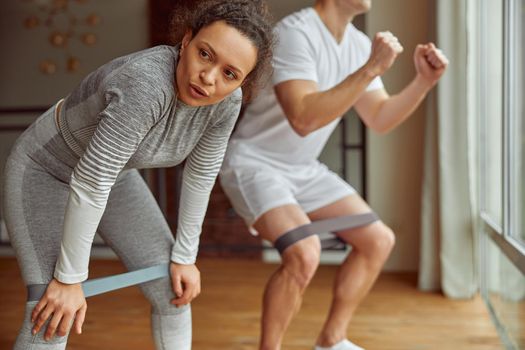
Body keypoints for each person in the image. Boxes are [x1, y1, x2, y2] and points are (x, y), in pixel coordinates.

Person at [2, 1, 273, 349]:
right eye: (205, 54)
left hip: (114, 177)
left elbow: (200, 175)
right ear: (186, 40)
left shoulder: (227, 102)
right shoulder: (146, 82)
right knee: (54, 312)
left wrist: (185, 258)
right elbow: (91, 179)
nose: (209, 77)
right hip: (46, 170)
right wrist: (69, 280)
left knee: (174, 290)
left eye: (229, 74)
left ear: (242, 81)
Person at [219, 0, 449, 349]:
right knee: (304, 252)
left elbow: (380, 118)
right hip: (254, 163)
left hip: (302, 168)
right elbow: (303, 118)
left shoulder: (357, 44)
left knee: (377, 240)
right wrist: (371, 68)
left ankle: (331, 341)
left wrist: (424, 82)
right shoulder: (295, 35)